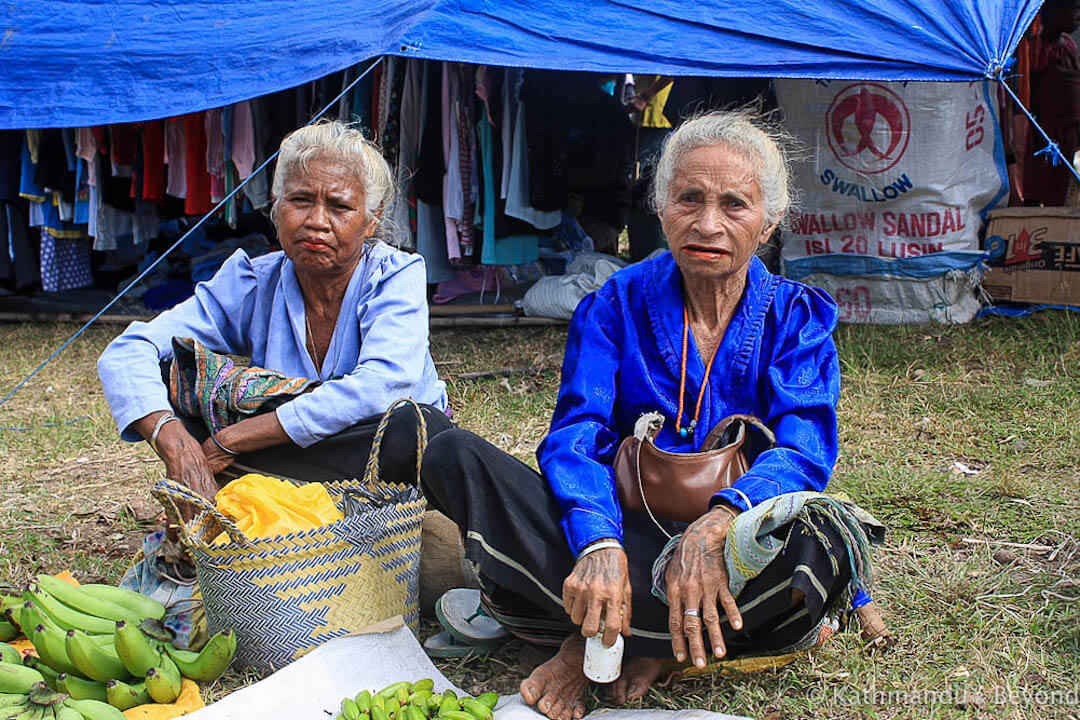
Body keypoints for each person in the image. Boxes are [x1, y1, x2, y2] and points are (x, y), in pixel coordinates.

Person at [419, 111, 882, 720]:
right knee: (455, 456)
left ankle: (598, 637)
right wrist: (599, 544)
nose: (708, 223)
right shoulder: (614, 303)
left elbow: (803, 450)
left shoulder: (797, 317)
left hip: (734, 545)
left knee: (818, 544)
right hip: (624, 524)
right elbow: (576, 437)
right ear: (661, 209)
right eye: (688, 198)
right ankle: (657, 632)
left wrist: (718, 526)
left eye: (734, 204)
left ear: (768, 223)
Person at [98, 120, 452, 496]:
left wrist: (231, 440)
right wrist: (173, 440)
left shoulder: (394, 275)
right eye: (300, 200)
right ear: (276, 203)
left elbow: (382, 386)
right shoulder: (252, 281)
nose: (316, 221)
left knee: (407, 425)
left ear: (371, 219)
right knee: (176, 377)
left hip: (381, 453)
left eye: (339, 207)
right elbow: (128, 351)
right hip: (292, 455)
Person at [1022, 0, 1080, 206]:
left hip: (1069, 129)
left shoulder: (1068, 44)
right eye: (1074, 9)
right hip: (1046, 132)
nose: (1078, 16)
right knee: (1041, 183)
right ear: (1053, 13)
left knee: (1063, 185)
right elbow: (1032, 92)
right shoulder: (1038, 49)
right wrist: (1038, 133)